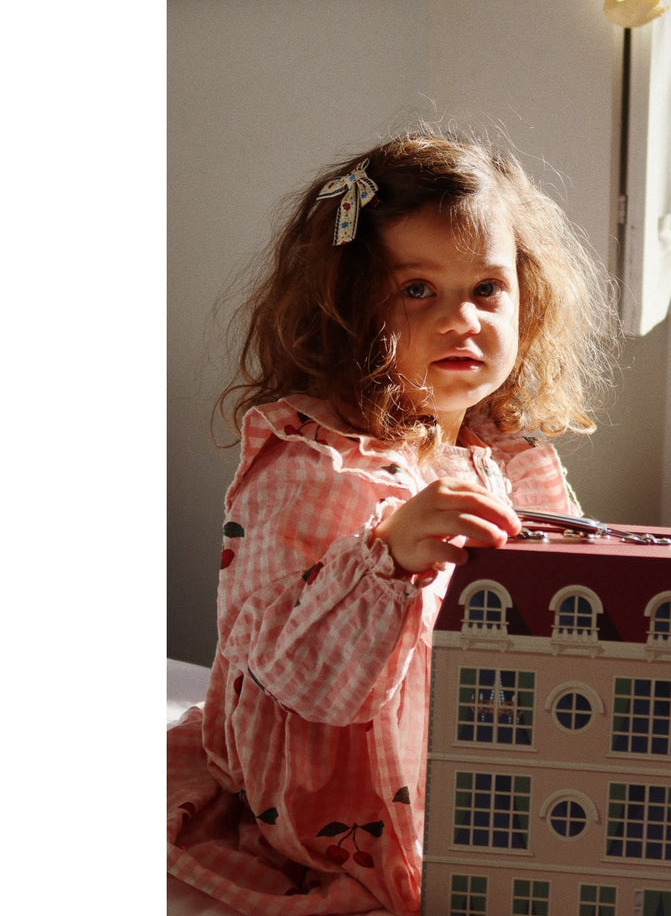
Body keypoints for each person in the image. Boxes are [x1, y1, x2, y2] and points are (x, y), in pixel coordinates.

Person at [167, 131, 619, 915]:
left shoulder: (505, 454)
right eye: (417, 290)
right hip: (341, 796)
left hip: (484, 753)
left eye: (487, 288)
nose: (461, 319)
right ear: (348, 307)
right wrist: (390, 559)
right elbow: (296, 678)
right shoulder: (315, 461)